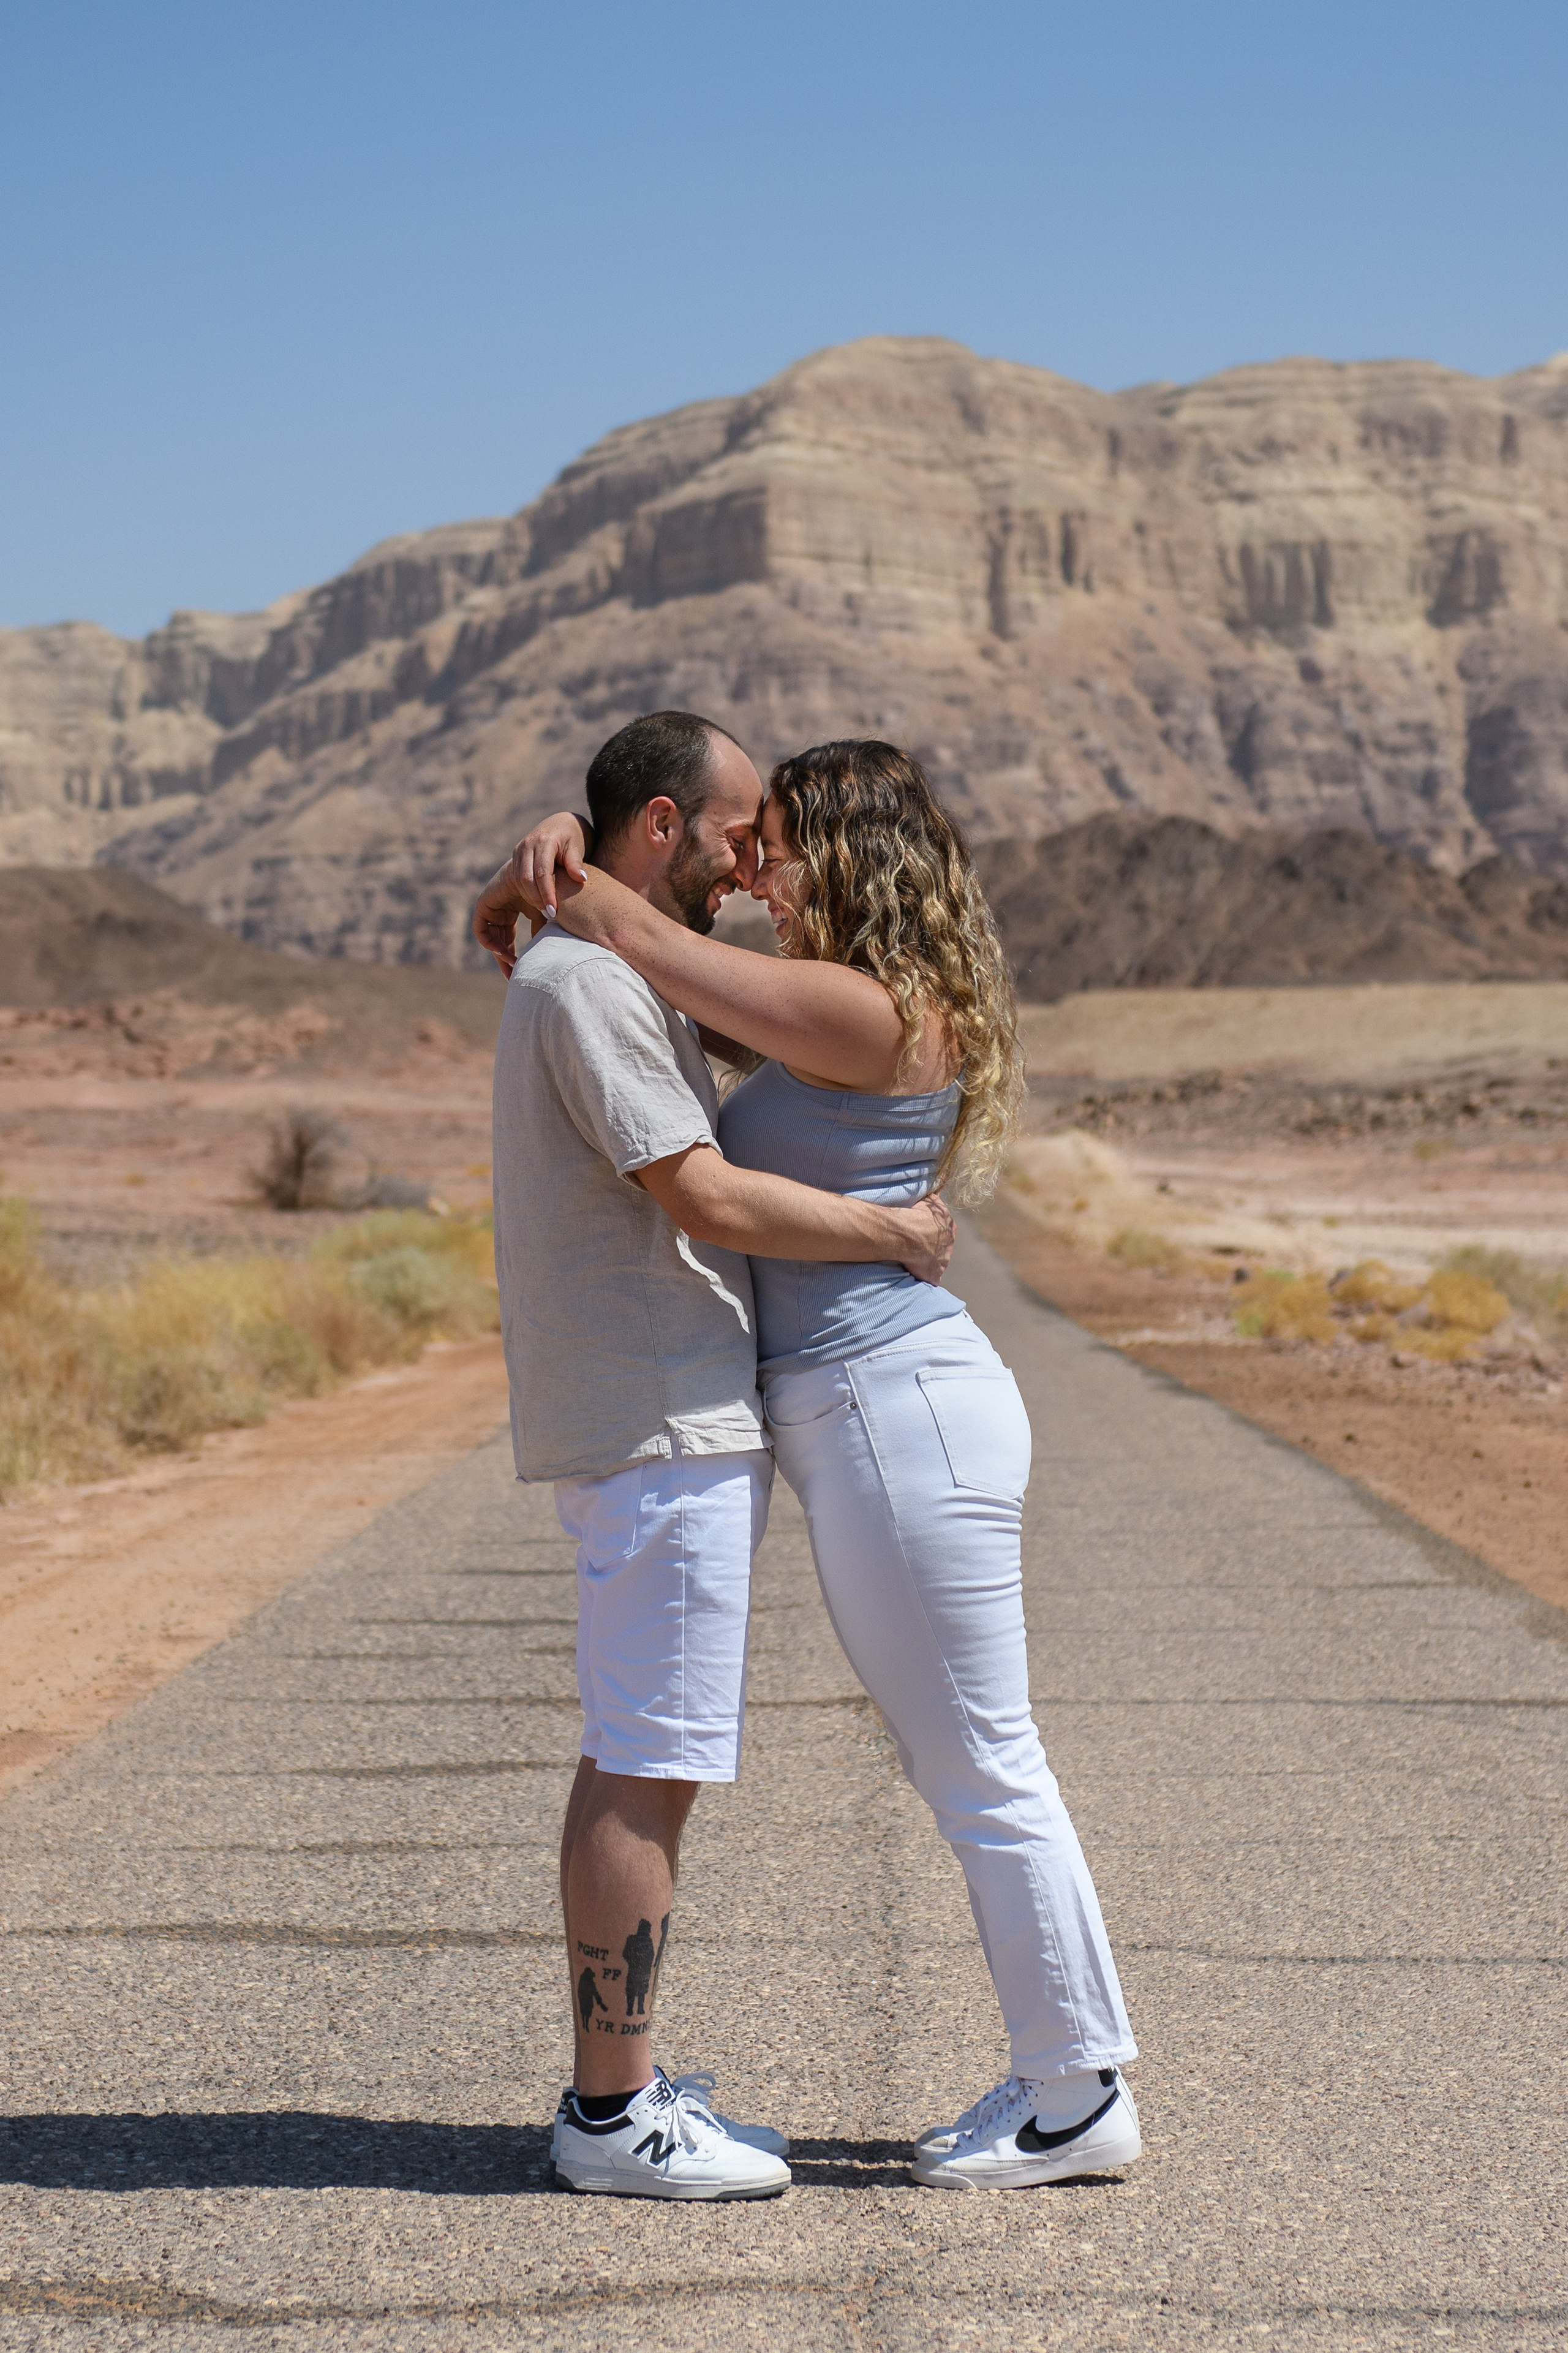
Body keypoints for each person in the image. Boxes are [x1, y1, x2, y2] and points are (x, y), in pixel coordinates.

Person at [482, 737, 1141, 2192]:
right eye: (740, 839)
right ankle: (1066, 2076)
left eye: (774, 841)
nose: (755, 867)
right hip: (863, 1406)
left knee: (979, 1759)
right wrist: (557, 851)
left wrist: (579, 860)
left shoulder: (864, 1007)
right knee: (964, 1754)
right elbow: (645, 972)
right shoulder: (823, 1011)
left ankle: (1077, 2090)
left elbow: (645, 939)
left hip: (891, 1403)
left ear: (845, 850)